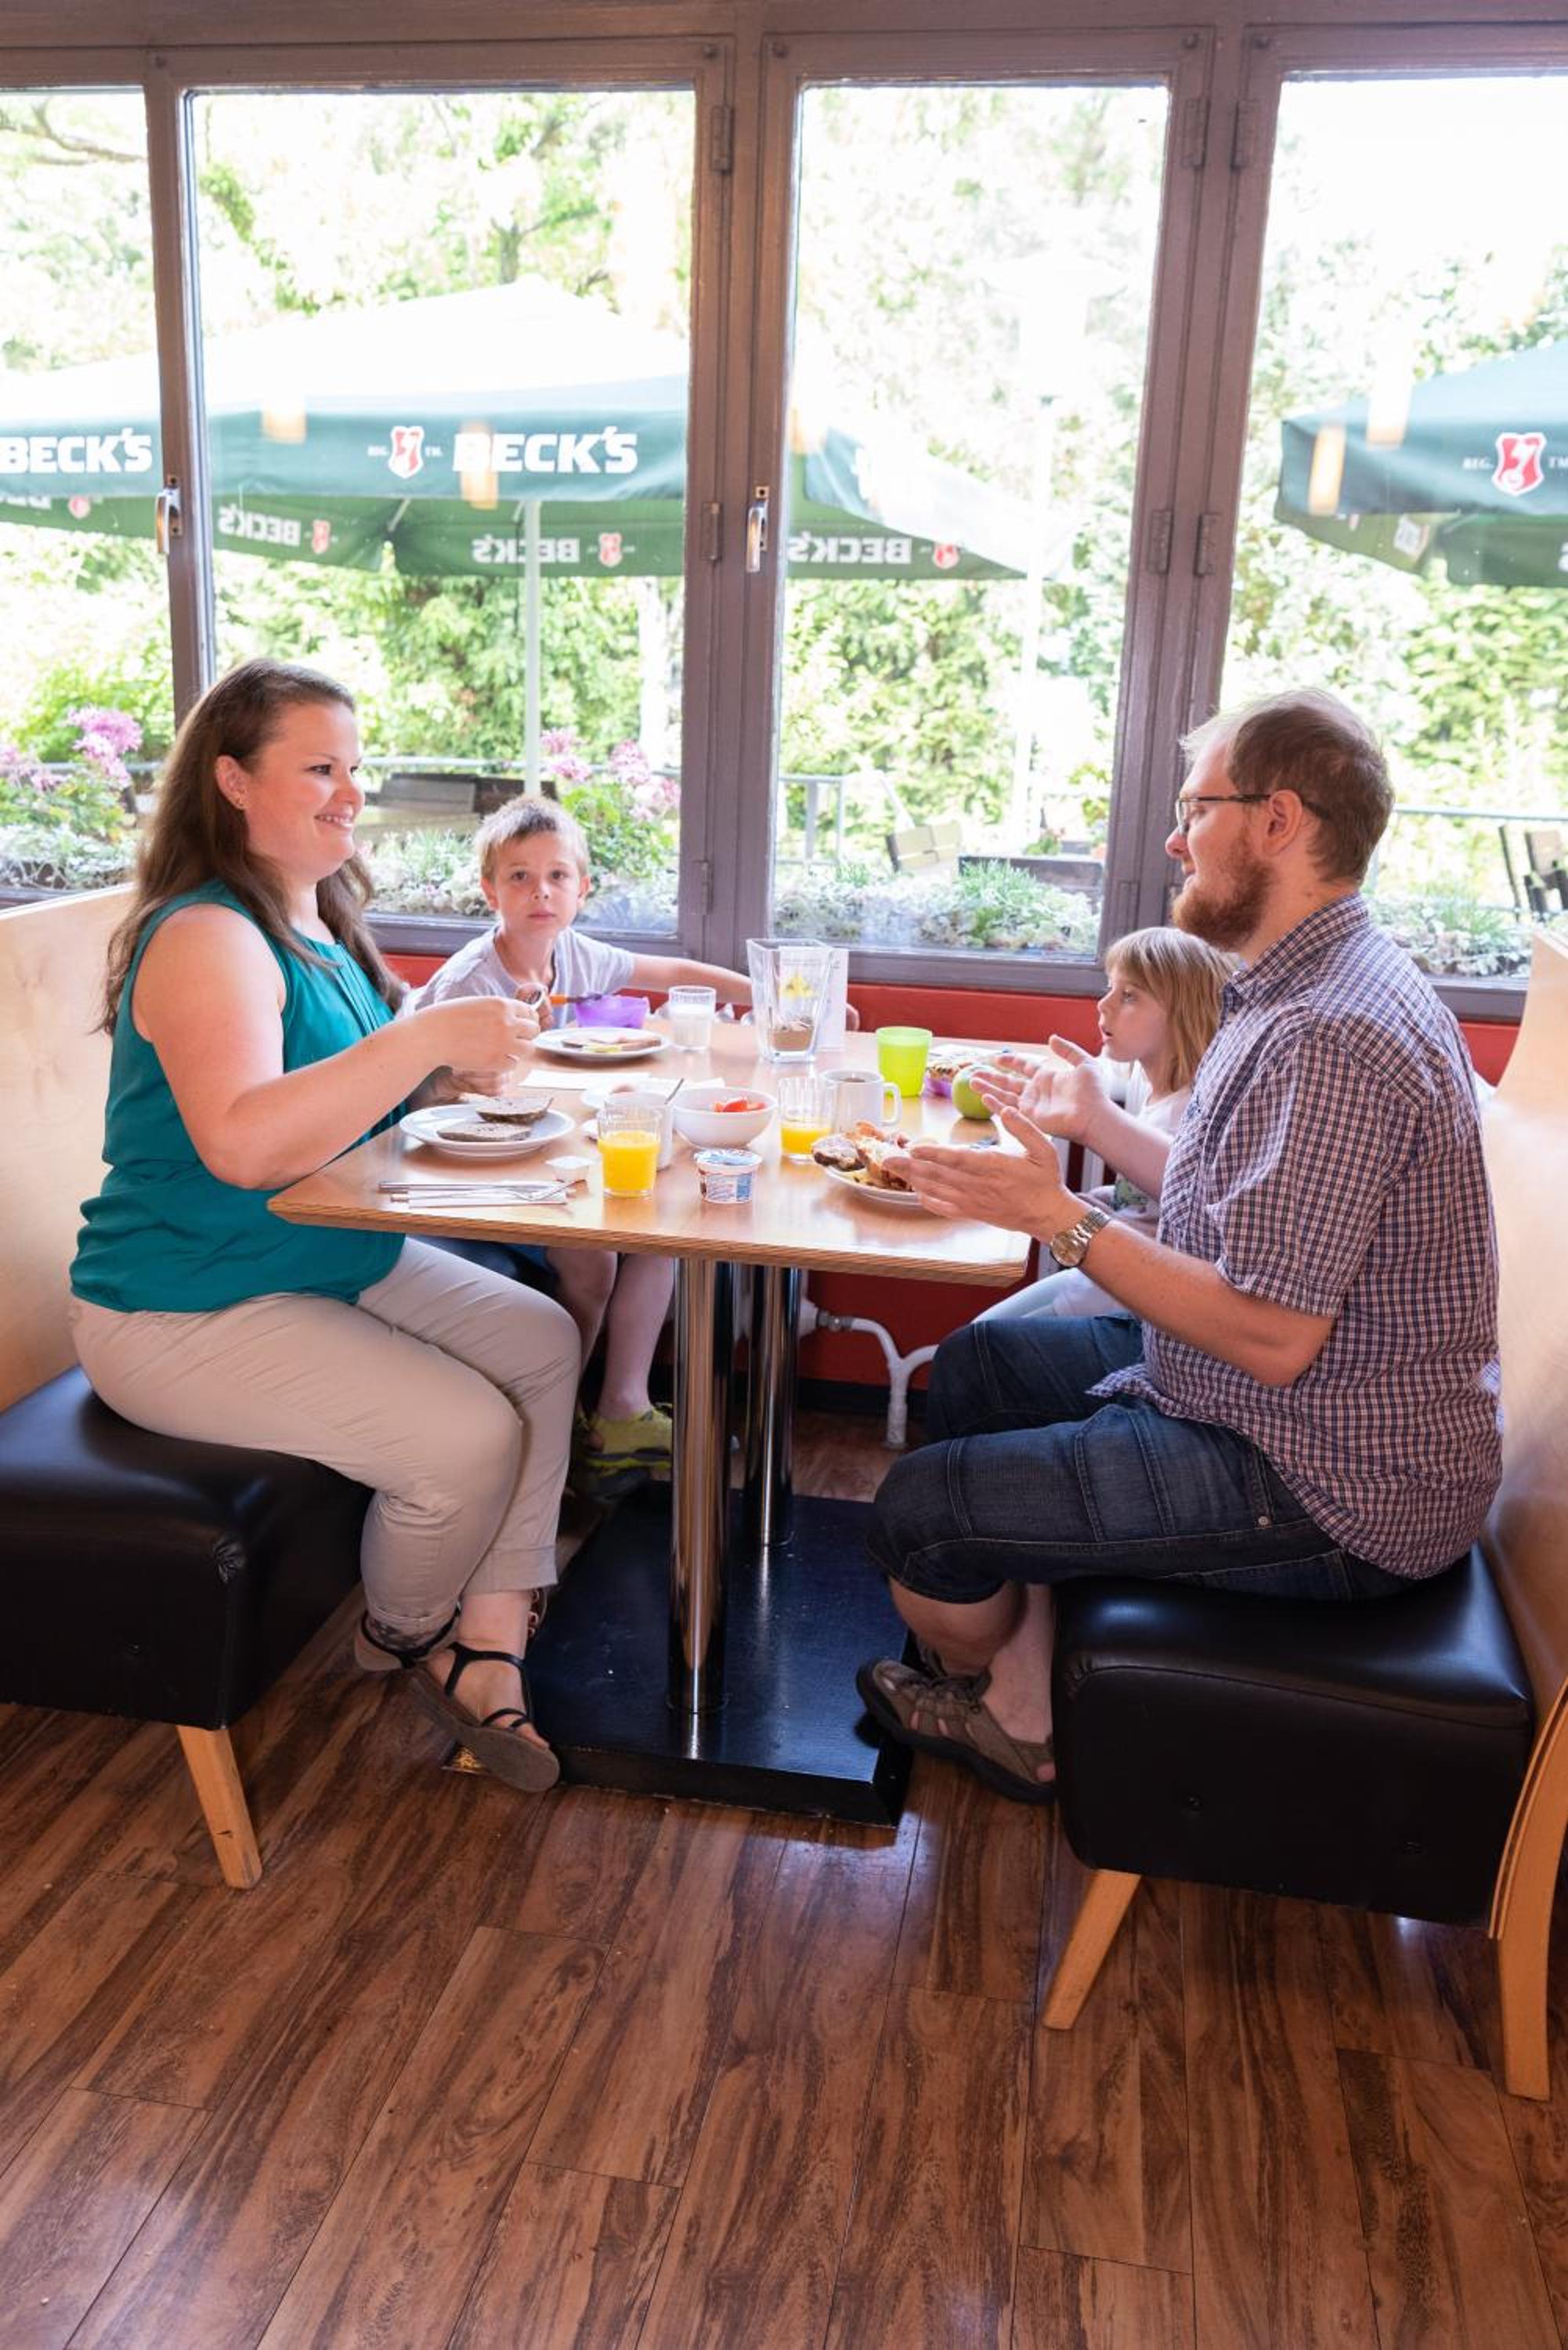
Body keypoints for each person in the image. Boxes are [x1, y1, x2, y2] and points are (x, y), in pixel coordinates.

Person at [857, 689, 1501, 1806]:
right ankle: (1027, 1698)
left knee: (915, 1517)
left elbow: (1270, 1337)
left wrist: (1060, 1218)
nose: (1172, 839)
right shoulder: (1297, 983)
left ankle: (1000, 1699)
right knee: (975, 1369)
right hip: (1263, 1405)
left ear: (1276, 821)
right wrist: (1092, 1131)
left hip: (1330, 1485)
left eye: (1196, 809)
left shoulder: (1329, 1034)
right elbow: (1236, 1208)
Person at [68, 659, 582, 1795]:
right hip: (182, 1301)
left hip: (317, 1258)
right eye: (319, 770)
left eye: (355, 769)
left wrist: (448, 1077)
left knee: (541, 1339)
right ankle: (403, 1633)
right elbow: (244, 1145)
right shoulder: (206, 934)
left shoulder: (315, 919)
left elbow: (357, 1103)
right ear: (232, 781)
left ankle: (491, 1638)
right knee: (466, 1440)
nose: (351, 794)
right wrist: (423, 1039)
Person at [411, 794, 751, 1493]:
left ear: (582, 889)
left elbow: (669, 975)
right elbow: (418, 1094)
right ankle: (557, 1423)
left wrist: (766, 997)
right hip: (468, 1162)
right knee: (592, 1257)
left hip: (540, 1146)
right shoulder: (472, 980)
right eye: (520, 877)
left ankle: (621, 1407)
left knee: (662, 1219)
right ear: (490, 892)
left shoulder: (571, 954)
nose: (541, 892)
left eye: (557, 876)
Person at [977, 926, 1231, 1324]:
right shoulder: (1156, 1094)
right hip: (1098, 1284)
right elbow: (1146, 1202)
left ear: (1184, 1013)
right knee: (983, 1330)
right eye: (1110, 988)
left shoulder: (1188, 1113)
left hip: (1126, 1305)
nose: (1103, 1005)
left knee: (982, 1342)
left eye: (1129, 995)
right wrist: (1090, 1201)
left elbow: (1186, 1201)